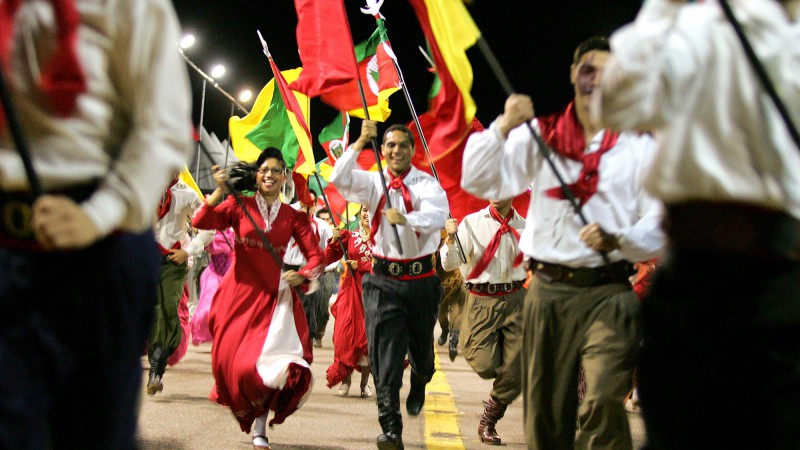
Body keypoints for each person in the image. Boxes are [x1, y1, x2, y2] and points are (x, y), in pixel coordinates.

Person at [592, 1, 800, 448]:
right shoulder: (704, 26)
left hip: (745, 276)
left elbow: (614, 103)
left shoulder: (700, 26)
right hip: (711, 272)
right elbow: (615, 106)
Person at [0, 1, 192, 448]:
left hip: (102, 246)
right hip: (8, 242)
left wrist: (98, 214)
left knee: (93, 430)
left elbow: (161, 126)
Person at [462, 36, 665, 450]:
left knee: (602, 401)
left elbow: (662, 218)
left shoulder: (638, 148)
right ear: (574, 74)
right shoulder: (541, 135)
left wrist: (622, 238)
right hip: (549, 292)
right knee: (546, 418)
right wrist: (503, 126)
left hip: (609, 292)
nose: (597, 78)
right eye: (589, 68)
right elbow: (478, 179)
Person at [193, 149, 323, 450]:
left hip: (275, 300)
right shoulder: (239, 206)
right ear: (256, 174)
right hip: (237, 298)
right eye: (264, 169)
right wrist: (220, 191)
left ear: (284, 177)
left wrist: (302, 274)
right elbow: (201, 221)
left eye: (276, 170)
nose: (269, 175)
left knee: (266, 367)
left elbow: (316, 256)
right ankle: (251, 415)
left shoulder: (294, 217)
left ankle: (260, 429)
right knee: (234, 365)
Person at [331, 120, 449, 450]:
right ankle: (390, 428)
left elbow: (437, 217)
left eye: (403, 145)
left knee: (422, 355)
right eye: (390, 145)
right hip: (383, 281)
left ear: (413, 150)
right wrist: (359, 142)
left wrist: (407, 219)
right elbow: (339, 179)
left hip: (421, 281)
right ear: (382, 150)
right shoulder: (373, 181)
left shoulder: (426, 184)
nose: (396, 150)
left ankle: (421, 379)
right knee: (386, 356)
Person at [440, 198, 526, 445]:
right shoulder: (471, 223)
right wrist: (450, 240)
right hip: (481, 300)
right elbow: (450, 263)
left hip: (517, 299)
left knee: (519, 368)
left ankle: (489, 419)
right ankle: (508, 378)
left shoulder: (524, 225)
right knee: (485, 363)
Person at [147, 176, 214, 395]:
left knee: (167, 309)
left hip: (173, 262)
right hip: (144, 259)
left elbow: (208, 227)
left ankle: (156, 368)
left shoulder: (188, 194)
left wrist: (188, 250)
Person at [323, 205, 373, 398]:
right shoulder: (350, 236)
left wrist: (361, 265)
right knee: (344, 337)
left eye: (371, 209)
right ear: (359, 214)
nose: (367, 214)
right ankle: (346, 380)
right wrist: (334, 241)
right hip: (350, 294)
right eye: (364, 210)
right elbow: (327, 258)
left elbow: (387, 265)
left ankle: (364, 383)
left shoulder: (385, 239)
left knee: (368, 339)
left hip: (373, 294)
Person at [283, 195, 332, 349]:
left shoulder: (321, 226)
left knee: (308, 307)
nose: (306, 208)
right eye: (303, 205)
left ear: (315, 205)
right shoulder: (287, 219)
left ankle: (306, 341)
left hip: (310, 269)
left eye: (309, 205)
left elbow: (329, 248)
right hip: (287, 268)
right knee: (286, 306)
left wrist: (320, 266)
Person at [191, 227, 235, 345]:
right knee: (207, 308)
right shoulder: (211, 233)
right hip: (213, 274)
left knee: (226, 308)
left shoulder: (232, 234)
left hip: (227, 276)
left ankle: (222, 335)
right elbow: (201, 245)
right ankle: (202, 333)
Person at [435, 230, 466, 362]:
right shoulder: (435, 240)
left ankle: (453, 341)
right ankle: (445, 329)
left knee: (456, 313)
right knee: (441, 313)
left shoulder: (460, 237)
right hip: (441, 284)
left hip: (456, 281)